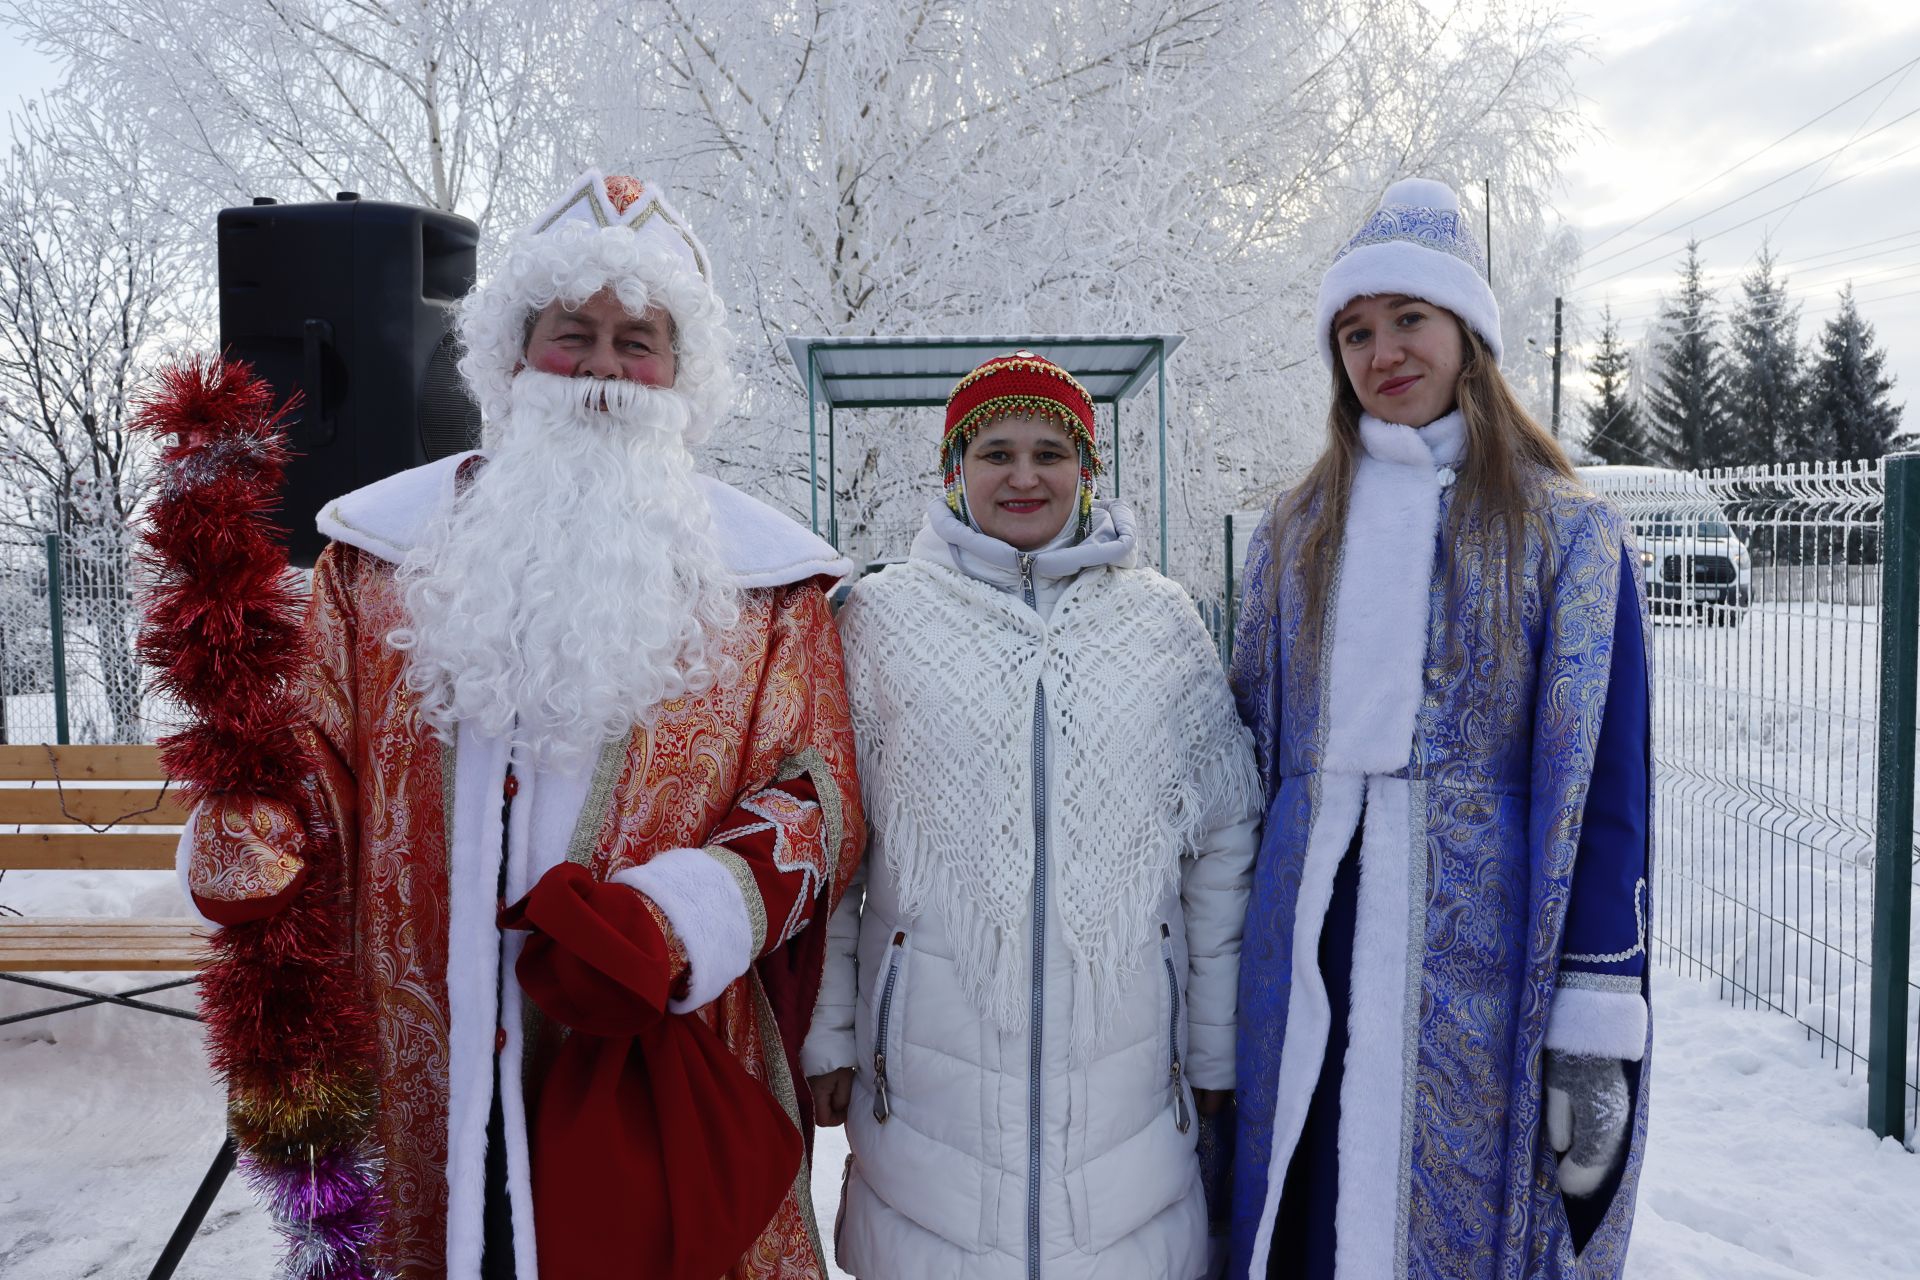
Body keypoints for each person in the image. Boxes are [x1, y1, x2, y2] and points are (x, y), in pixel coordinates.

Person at [176, 170, 864, 1279]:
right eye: (571, 333)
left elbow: (818, 793)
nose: (601, 369)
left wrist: (678, 923)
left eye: (637, 339)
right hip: (425, 1059)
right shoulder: (378, 558)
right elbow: (315, 755)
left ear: (682, 373)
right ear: (512, 353)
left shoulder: (771, 585)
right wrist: (255, 827)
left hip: (650, 1049)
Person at [1227, 179, 1651, 1279]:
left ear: (1468, 333)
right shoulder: (1295, 531)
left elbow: (1606, 784)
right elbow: (1243, 757)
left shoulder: (1566, 536)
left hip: (1479, 960)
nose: (1383, 352)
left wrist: (1596, 1008)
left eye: (1409, 318)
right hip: (1306, 934)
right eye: (1356, 332)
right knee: (1303, 1212)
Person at [802, 351, 1261, 1279]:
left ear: (1087, 471)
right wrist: (831, 1032)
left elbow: (1221, 844)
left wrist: (1215, 1048)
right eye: (995, 451)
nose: (1023, 476)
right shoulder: (879, 619)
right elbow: (834, 849)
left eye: (1050, 452)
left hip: (1130, 1097)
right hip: (926, 1095)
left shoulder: (1160, 623)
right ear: (953, 470)